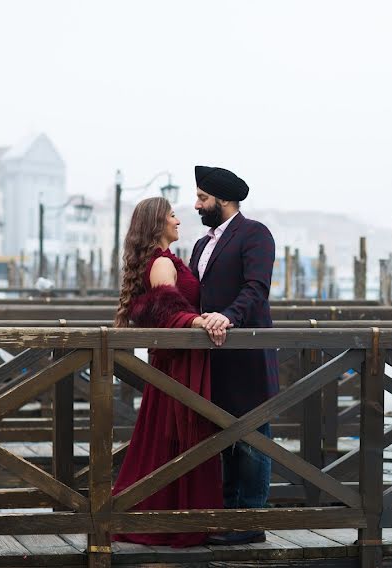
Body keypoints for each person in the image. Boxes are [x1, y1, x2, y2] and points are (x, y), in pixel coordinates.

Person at [111, 196, 225, 547]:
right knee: (175, 437)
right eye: (173, 215)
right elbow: (167, 313)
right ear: (157, 223)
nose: (179, 220)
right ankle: (171, 519)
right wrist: (198, 320)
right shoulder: (161, 264)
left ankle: (177, 515)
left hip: (174, 363)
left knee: (171, 437)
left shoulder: (167, 260)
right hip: (176, 366)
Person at [189, 165, 279, 546]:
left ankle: (251, 521)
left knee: (252, 437)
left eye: (202, 198)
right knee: (222, 437)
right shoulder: (200, 244)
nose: (196, 205)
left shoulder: (255, 234)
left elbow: (256, 288)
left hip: (246, 353)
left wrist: (228, 316)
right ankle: (227, 514)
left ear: (223, 199)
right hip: (213, 356)